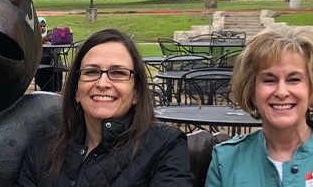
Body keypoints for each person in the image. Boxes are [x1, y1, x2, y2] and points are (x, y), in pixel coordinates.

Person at [18, 28, 194, 187]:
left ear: (136, 92)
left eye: (118, 73)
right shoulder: (41, 154)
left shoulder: (165, 146)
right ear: (76, 91)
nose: (102, 83)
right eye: (91, 72)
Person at [206, 27, 313, 187]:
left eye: (294, 79)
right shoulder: (226, 159)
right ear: (252, 91)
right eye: (269, 80)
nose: (281, 92)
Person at [34, 17, 60, 91]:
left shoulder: (50, 35)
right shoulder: (33, 35)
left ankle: (56, 85)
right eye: (40, 26)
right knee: (50, 58)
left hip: (49, 58)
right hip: (39, 59)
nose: (42, 28)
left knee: (53, 58)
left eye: (44, 26)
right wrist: (42, 40)